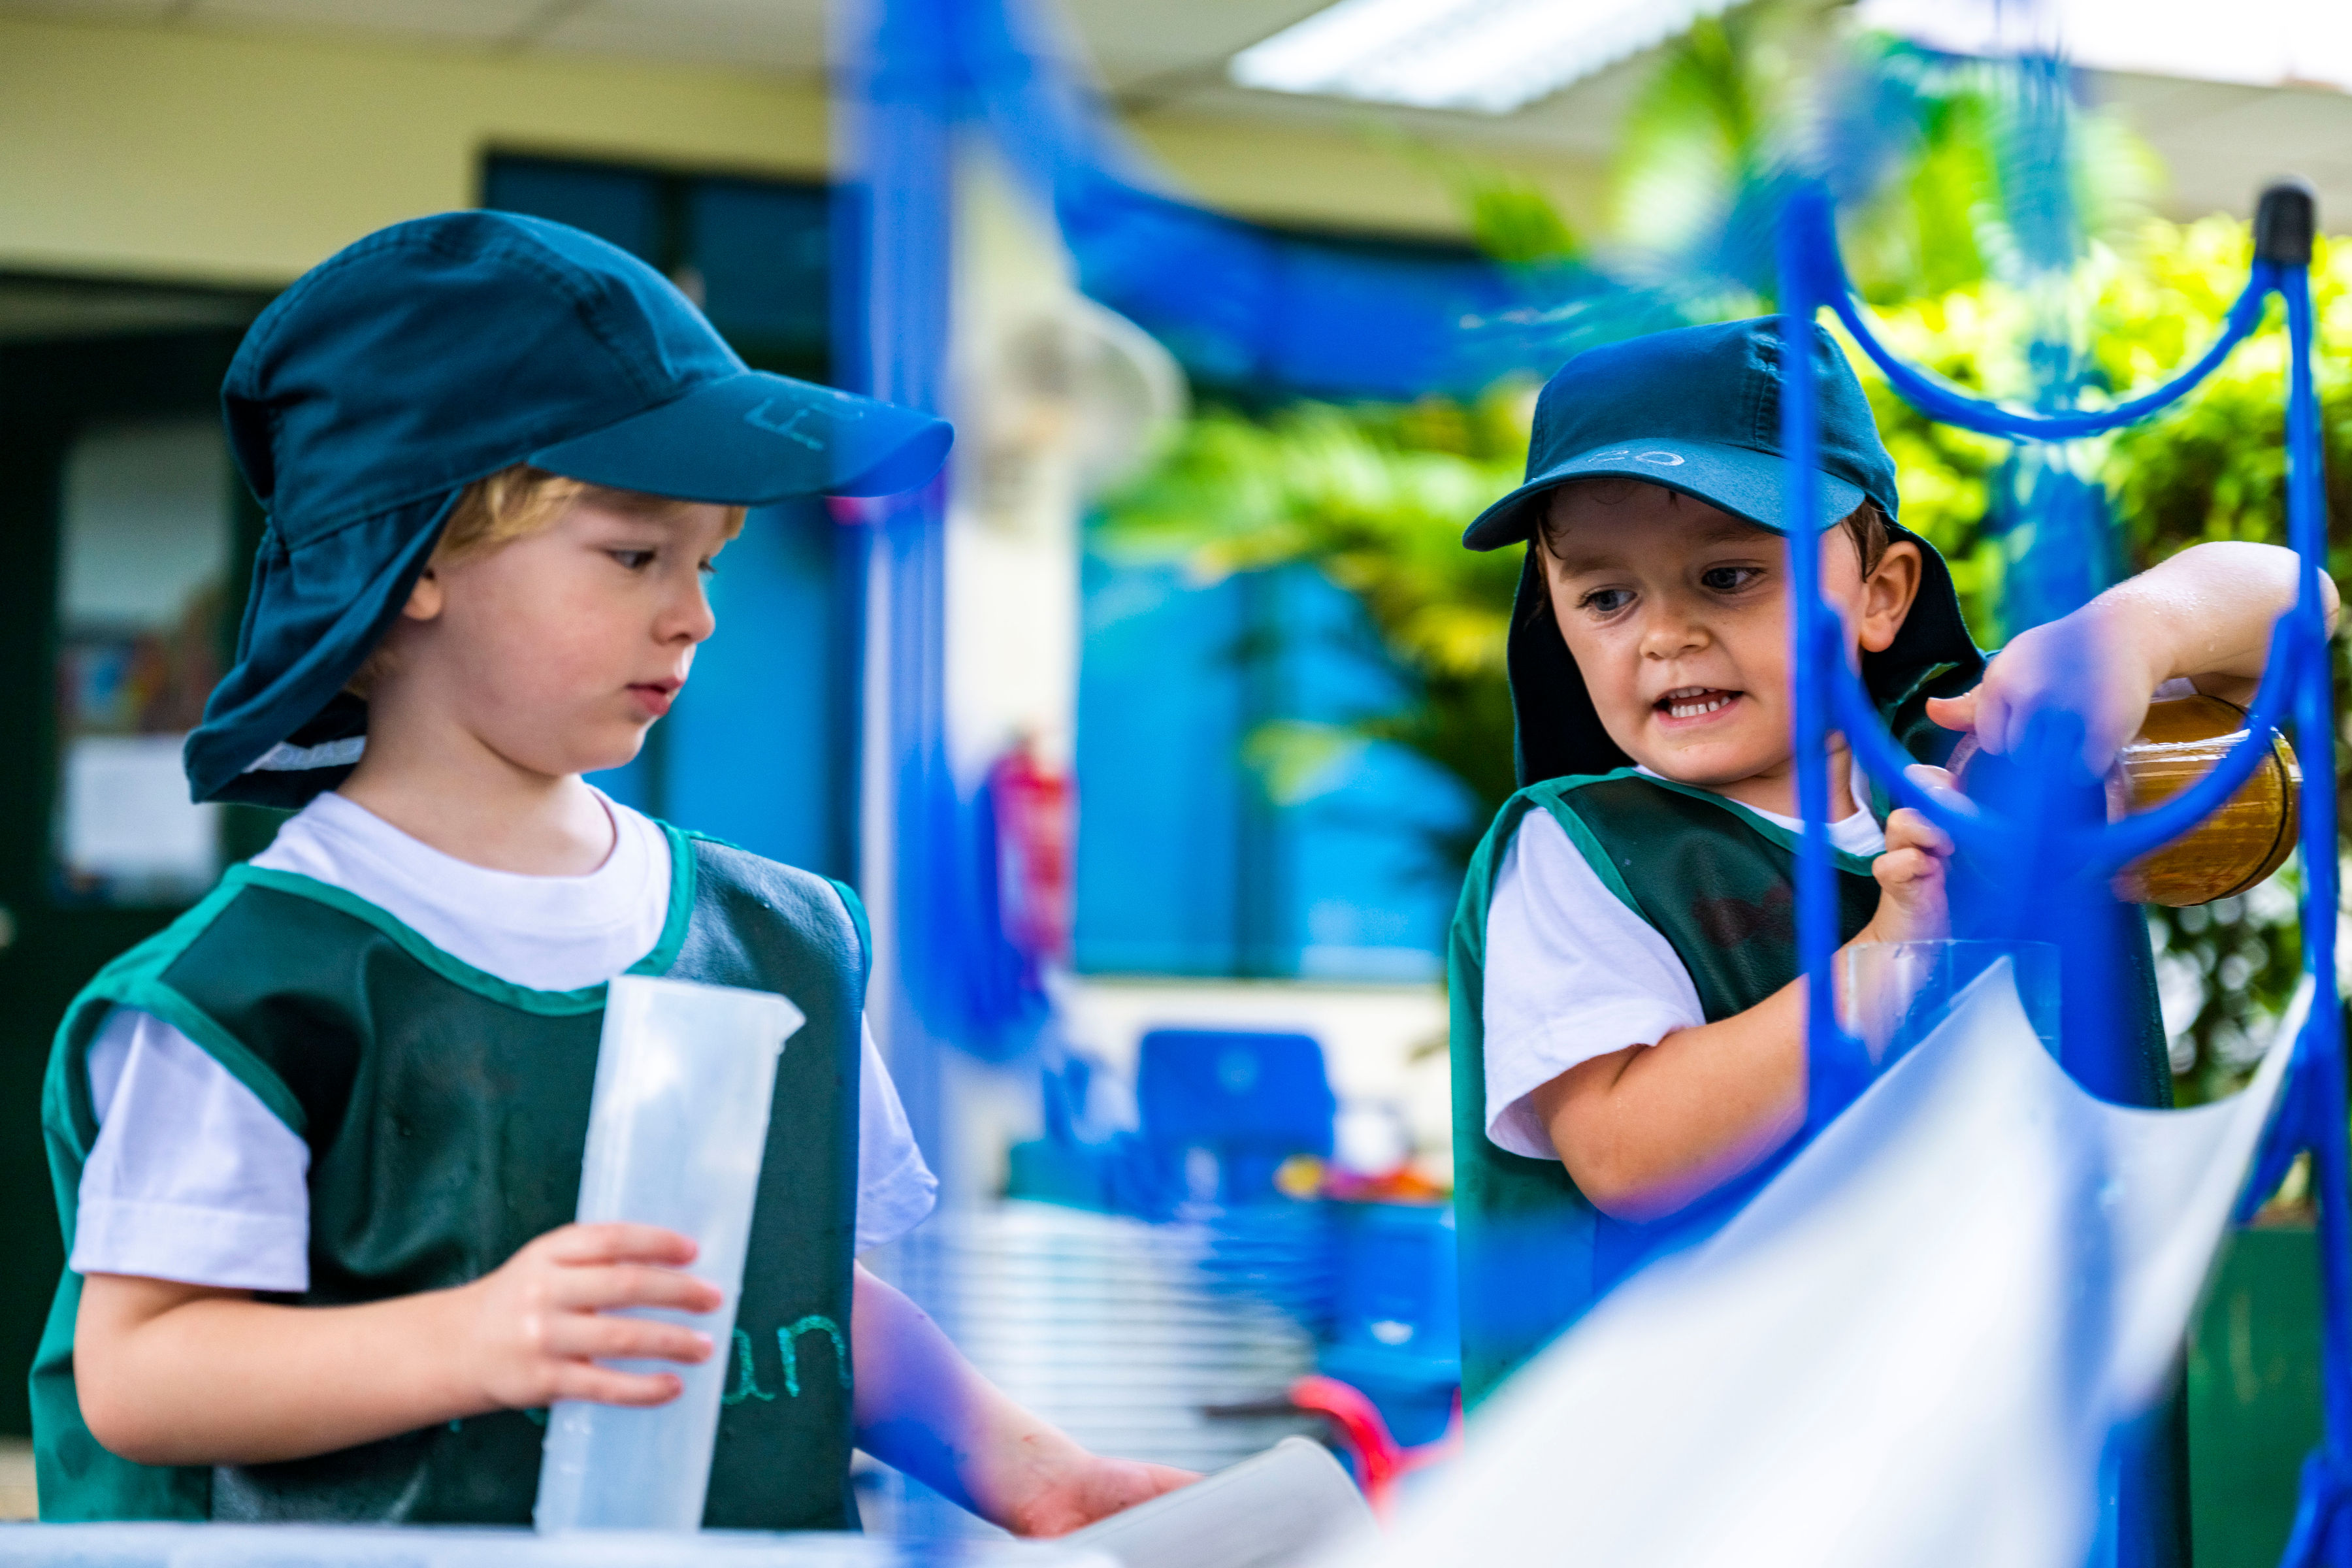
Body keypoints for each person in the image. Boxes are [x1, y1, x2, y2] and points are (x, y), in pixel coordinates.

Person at [33, 210, 1192, 1533]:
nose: (693, 611)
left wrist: (1045, 1480)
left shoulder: (790, 938)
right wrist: (476, 1340)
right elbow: (145, 1370)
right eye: (636, 555)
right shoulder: (244, 992)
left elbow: (795, 1299)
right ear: (415, 561)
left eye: (707, 561)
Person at [1446, 319, 2325, 1555]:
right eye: (1605, 595)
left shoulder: (1978, 756)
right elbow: (1626, 1147)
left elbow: (2302, 598)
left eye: (1728, 575)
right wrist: (1880, 958)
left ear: (1881, 593)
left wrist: (2137, 632)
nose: (1664, 633)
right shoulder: (1580, 852)